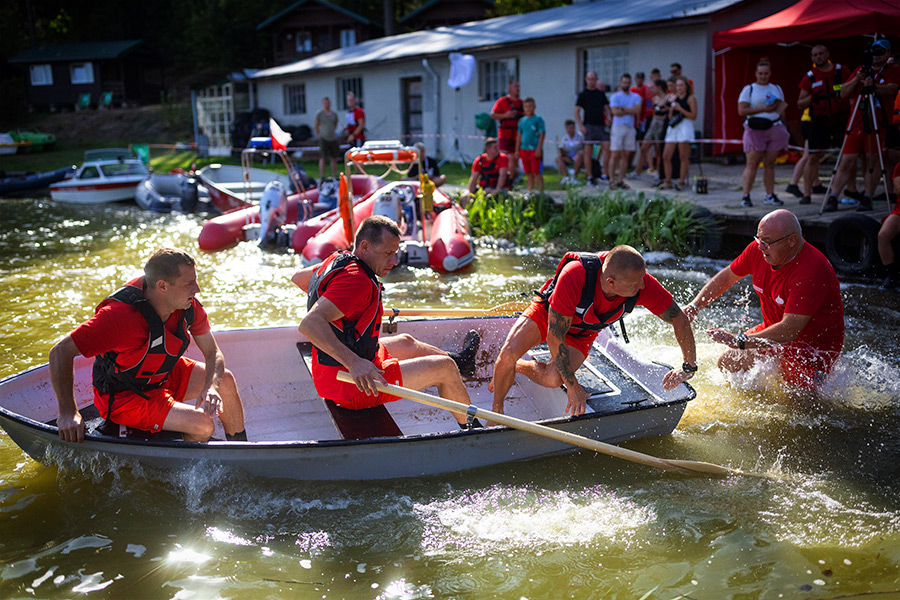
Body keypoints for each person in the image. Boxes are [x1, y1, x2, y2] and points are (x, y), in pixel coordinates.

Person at [293, 216, 482, 428]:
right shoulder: (357, 281)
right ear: (364, 246)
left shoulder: (338, 261)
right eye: (388, 253)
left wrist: (344, 308)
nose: (394, 261)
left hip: (329, 371)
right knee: (444, 369)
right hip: (351, 385)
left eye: (395, 253)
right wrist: (353, 362)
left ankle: (463, 363)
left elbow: (299, 278)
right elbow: (309, 324)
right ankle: (472, 432)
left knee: (406, 342)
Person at [49, 248, 247, 443]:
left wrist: (211, 388)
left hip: (161, 376)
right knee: (203, 425)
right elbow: (60, 352)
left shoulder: (188, 305)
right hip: (125, 397)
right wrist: (68, 412)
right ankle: (179, 456)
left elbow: (213, 353)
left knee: (225, 381)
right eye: (189, 283)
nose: (197, 289)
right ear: (162, 286)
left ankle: (243, 453)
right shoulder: (119, 317)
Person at [489, 245, 698, 417]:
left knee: (553, 379)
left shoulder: (642, 283)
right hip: (549, 317)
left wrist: (689, 366)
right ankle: (497, 413)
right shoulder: (574, 275)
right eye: (636, 284)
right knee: (507, 354)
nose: (643, 286)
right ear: (611, 282)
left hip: (582, 334)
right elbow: (555, 336)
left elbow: (680, 320)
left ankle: (520, 367)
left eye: (643, 279)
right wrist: (573, 386)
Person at [684, 210, 844, 389]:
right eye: (759, 239)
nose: (760, 247)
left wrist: (740, 341)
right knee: (728, 363)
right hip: (772, 330)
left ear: (791, 241)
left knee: (795, 404)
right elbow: (728, 277)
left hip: (811, 348)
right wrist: (695, 306)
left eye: (767, 241)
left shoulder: (811, 271)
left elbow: (790, 330)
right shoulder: (758, 249)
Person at [824, 39, 900, 212]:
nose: (876, 56)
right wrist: (857, 79)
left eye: (880, 52)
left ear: (888, 53)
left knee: (872, 160)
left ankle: (867, 196)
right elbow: (842, 92)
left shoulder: (894, 70)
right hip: (857, 121)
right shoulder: (860, 70)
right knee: (847, 160)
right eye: (874, 52)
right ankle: (834, 196)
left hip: (878, 123)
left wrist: (874, 86)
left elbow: (893, 89)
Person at [794, 45, 851, 205]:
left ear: (827, 54)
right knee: (812, 157)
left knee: (848, 157)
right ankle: (807, 194)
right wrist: (815, 97)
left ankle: (850, 190)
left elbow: (852, 92)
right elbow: (800, 103)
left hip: (841, 119)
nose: (818, 57)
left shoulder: (841, 71)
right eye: (814, 55)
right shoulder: (810, 77)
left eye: (820, 54)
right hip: (819, 121)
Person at [738, 59, 790, 207]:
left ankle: (769, 195)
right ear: (756, 74)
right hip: (755, 129)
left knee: (770, 164)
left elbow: (781, 110)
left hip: (774, 127)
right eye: (760, 73)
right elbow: (741, 110)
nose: (763, 76)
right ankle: (746, 195)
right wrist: (763, 110)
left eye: (766, 73)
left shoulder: (776, 88)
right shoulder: (749, 89)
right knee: (752, 163)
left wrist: (784, 128)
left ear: (770, 73)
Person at [661, 76, 698, 191]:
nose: (679, 88)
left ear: (686, 86)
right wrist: (671, 108)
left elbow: (693, 116)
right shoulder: (674, 98)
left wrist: (680, 108)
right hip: (674, 127)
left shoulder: (691, 98)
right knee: (666, 156)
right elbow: (670, 116)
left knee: (683, 156)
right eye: (677, 85)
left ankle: (681, 182)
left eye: (681, 85)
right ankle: (668, 180)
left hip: (685, 126)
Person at [575, 71, 611, 185]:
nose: (591, 81)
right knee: (588, 152)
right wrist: (580, 125)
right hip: (589, 126)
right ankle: (590, 176)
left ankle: (604, 174)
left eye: (593, 79)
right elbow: (576, 111)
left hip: (601, 126)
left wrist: (609, 117)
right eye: (589, 79)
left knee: (607, 148)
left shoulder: (600, 94)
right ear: (586, 80)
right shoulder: (583, 94)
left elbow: (606, 108)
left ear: (596, 80)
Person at [608, 73, 643, 189]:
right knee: (615, 154)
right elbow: (615, 112)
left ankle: (620, 180)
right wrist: (629, 110)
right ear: (620, 83)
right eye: (624, 82)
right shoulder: (615, 96)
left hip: (630, 127)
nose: (626, 84)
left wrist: (623, 109)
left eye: (628, 82)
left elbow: (637, 110)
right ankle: (611, 180)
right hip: (618, 127)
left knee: (626, 155)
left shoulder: (635, 96)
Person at [464, 137, 510, 204]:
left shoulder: (503, 158)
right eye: (495, 147)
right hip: (483, 187)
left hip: (498, 188)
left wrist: (497, 190)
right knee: (464, 197)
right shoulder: (479, 161)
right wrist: (471, 194)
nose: (498, 149)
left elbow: (502, 176)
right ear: (488, 149)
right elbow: (473, 179)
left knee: (486, 193)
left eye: (497, 147)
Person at [490, 79, 524, 169]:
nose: (518, 88)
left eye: (518, 86)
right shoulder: (502, 101)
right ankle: (503, 176)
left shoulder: (522, 103)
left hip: (517, 135)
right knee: (504, 156)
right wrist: (506, 115)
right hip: (505, 135)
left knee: (515, 157)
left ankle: (514, 177)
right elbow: (493, 115)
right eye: (515, 86)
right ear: (509, 87)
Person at [515, 96, 546, 195]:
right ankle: (530, 191)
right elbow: (519, 136)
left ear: (534, 107)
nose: (528, 109)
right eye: (526, 106)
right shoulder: (522, 121)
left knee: (537, 172)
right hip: (524, 149)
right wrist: (517, 150)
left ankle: (541, 193)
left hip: (534, 149)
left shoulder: (538, 119)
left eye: (530, 106)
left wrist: (539, 148)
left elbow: (542, 133)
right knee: (528, 172)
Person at [877, 162, 900, 289]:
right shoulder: (898, 167)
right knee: (883, 235)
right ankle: (891, 274)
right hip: (899, 210)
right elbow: (898, 189)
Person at [642, 79, 670, 180]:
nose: (652, 89)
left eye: (653, 87)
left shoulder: (668, 98)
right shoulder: (654, 99)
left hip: (662, 124)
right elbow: (654, 112)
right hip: (654, 123)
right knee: (644, 146)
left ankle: (659, 172)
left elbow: (668, 112)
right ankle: (638, 171)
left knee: (659, 150)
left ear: (659, 87)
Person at [630, 71, 656, 176]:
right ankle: (631, 164)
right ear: (635, 79)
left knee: (645, 143)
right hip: (635, 120)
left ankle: (650, 166)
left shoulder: (646, 89)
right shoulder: (632, 90)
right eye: (638, 78)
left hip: (644, 120)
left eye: (641, 78)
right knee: (634, 144)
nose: (640, 80)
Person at [315, 96, 341, 179]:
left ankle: (334, 175)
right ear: (323, 104)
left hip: (332, 138)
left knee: (334, 157)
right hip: (323, 138)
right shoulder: (320, 114)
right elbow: (316, 125)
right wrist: (319, 134)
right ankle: (322, 176)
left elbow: (335, 123)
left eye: (328, 103)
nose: (327, 104)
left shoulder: (334, 114)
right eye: (325, 103)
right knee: (323, 157)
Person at [556, 119, 585, 185]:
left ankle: (574, 177)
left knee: (580, 154)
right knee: (558, 158)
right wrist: (561, 150)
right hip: (569, 157)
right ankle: (566, 178)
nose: (570, 130)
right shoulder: (564, 138)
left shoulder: (580, 136)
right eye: (568, 128)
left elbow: (584, 148)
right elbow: (563, 153)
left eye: (572, 128)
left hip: (579, 158)